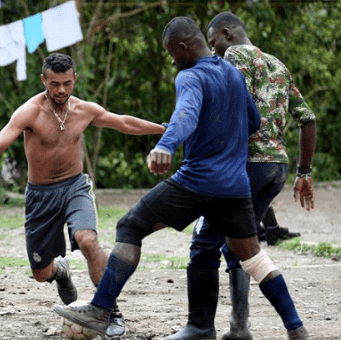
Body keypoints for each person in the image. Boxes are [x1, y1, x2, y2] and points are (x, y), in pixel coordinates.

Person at [53, 16, 311, 340]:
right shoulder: (232, 73)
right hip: (235, 187)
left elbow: (185, 113)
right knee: (252, 256)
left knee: (130, 225)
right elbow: (255, 121)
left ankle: (101, 308)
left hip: (198, 180)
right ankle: (295, 327)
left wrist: (166, 145)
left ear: (183, 47)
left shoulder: (189, 76)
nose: (172, 60)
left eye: (171, 53)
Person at [0, 52, 165, 337]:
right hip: (40, 196)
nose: (61, 90)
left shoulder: (84, 110)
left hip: (75, 186)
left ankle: (109, 310)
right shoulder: (29, 112)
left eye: (67, 83)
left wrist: (165, 130)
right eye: (54, 84)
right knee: (41, 273)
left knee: (87, 240)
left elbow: (123, 122)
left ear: (74, 79)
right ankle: (60, 271)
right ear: (44, 80)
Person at [162, 12, 317, 340]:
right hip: (277, 167)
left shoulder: (227, 61)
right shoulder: (278, 65)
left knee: (205, 243)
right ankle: (244, 326)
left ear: (227, 34)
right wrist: (305, 171)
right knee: (239, 244)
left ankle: (202, 327)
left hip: (242, 166)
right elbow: (307, 118)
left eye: (212, 39)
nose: (211, 48)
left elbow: (221, 106)